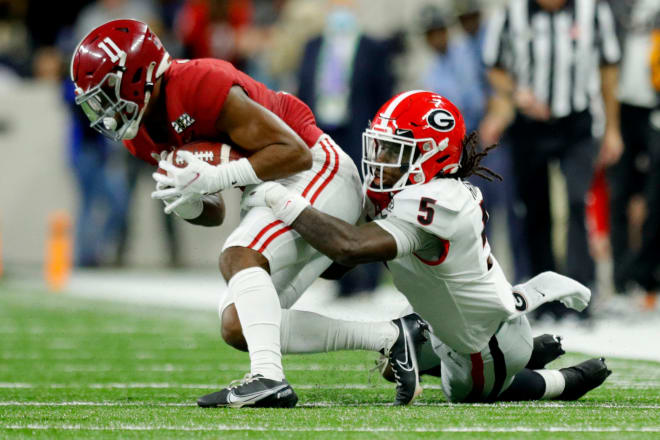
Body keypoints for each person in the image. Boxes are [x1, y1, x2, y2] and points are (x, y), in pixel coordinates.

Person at [70, 19, 429, 408]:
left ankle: (269, 379)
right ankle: (392, 336)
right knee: (240, 324)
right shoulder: (140, 134)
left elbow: (295, 152)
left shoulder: (199, 82)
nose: (101, 108)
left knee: (237, 256)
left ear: (137, 75)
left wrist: (220, 175)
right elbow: (214, 212)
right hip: (270, 185)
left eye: (106, 92)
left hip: (316, 169)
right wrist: (191, 200)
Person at [243, 91, 611, 403]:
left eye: (393, 152)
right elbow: (336, 266)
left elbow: (347, 249)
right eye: (381, 147)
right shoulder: (403, 191)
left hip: (483, 345)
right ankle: (533, 349)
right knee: (394, 364)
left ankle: (562, 381)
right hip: (439, 316)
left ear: (433, 156)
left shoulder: (440, 201)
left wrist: (280, 198)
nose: (380, 162)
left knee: (469, 392)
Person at [480, 0, 623, 320]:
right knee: (535, 209)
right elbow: (493, 65)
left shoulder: (593, 11)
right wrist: (516, 94)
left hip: (577, 123)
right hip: (530, 126)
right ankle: (543, 296)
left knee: (576, 201)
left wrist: (613, 128)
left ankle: (579, 291)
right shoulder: (511, 13)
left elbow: (609, 68)